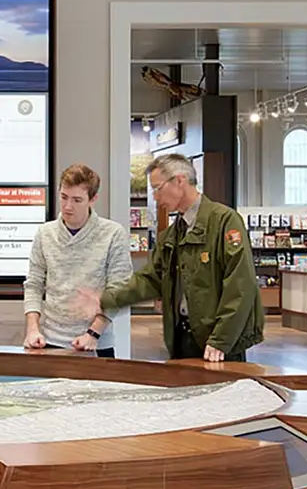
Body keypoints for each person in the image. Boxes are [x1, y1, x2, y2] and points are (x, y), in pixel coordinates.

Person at [82, 152, 263, 363]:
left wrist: (221, 340)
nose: (156, 198)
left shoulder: (224, 222)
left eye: (157, 189)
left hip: (219, 345)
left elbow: (241, 286)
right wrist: (105, 298)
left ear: (179, 181)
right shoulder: (172, 234)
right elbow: (149, 280)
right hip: (182, 339)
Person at [24, 163, 132, 354]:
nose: (68, 206)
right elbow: (34, 284)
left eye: (77, 200)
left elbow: (119, 291)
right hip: (49, 340)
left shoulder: (112, 234)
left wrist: (93, 333)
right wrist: (32, 329)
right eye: (64, 197)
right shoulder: (45, 233)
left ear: (92, 199)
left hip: (96, 342)